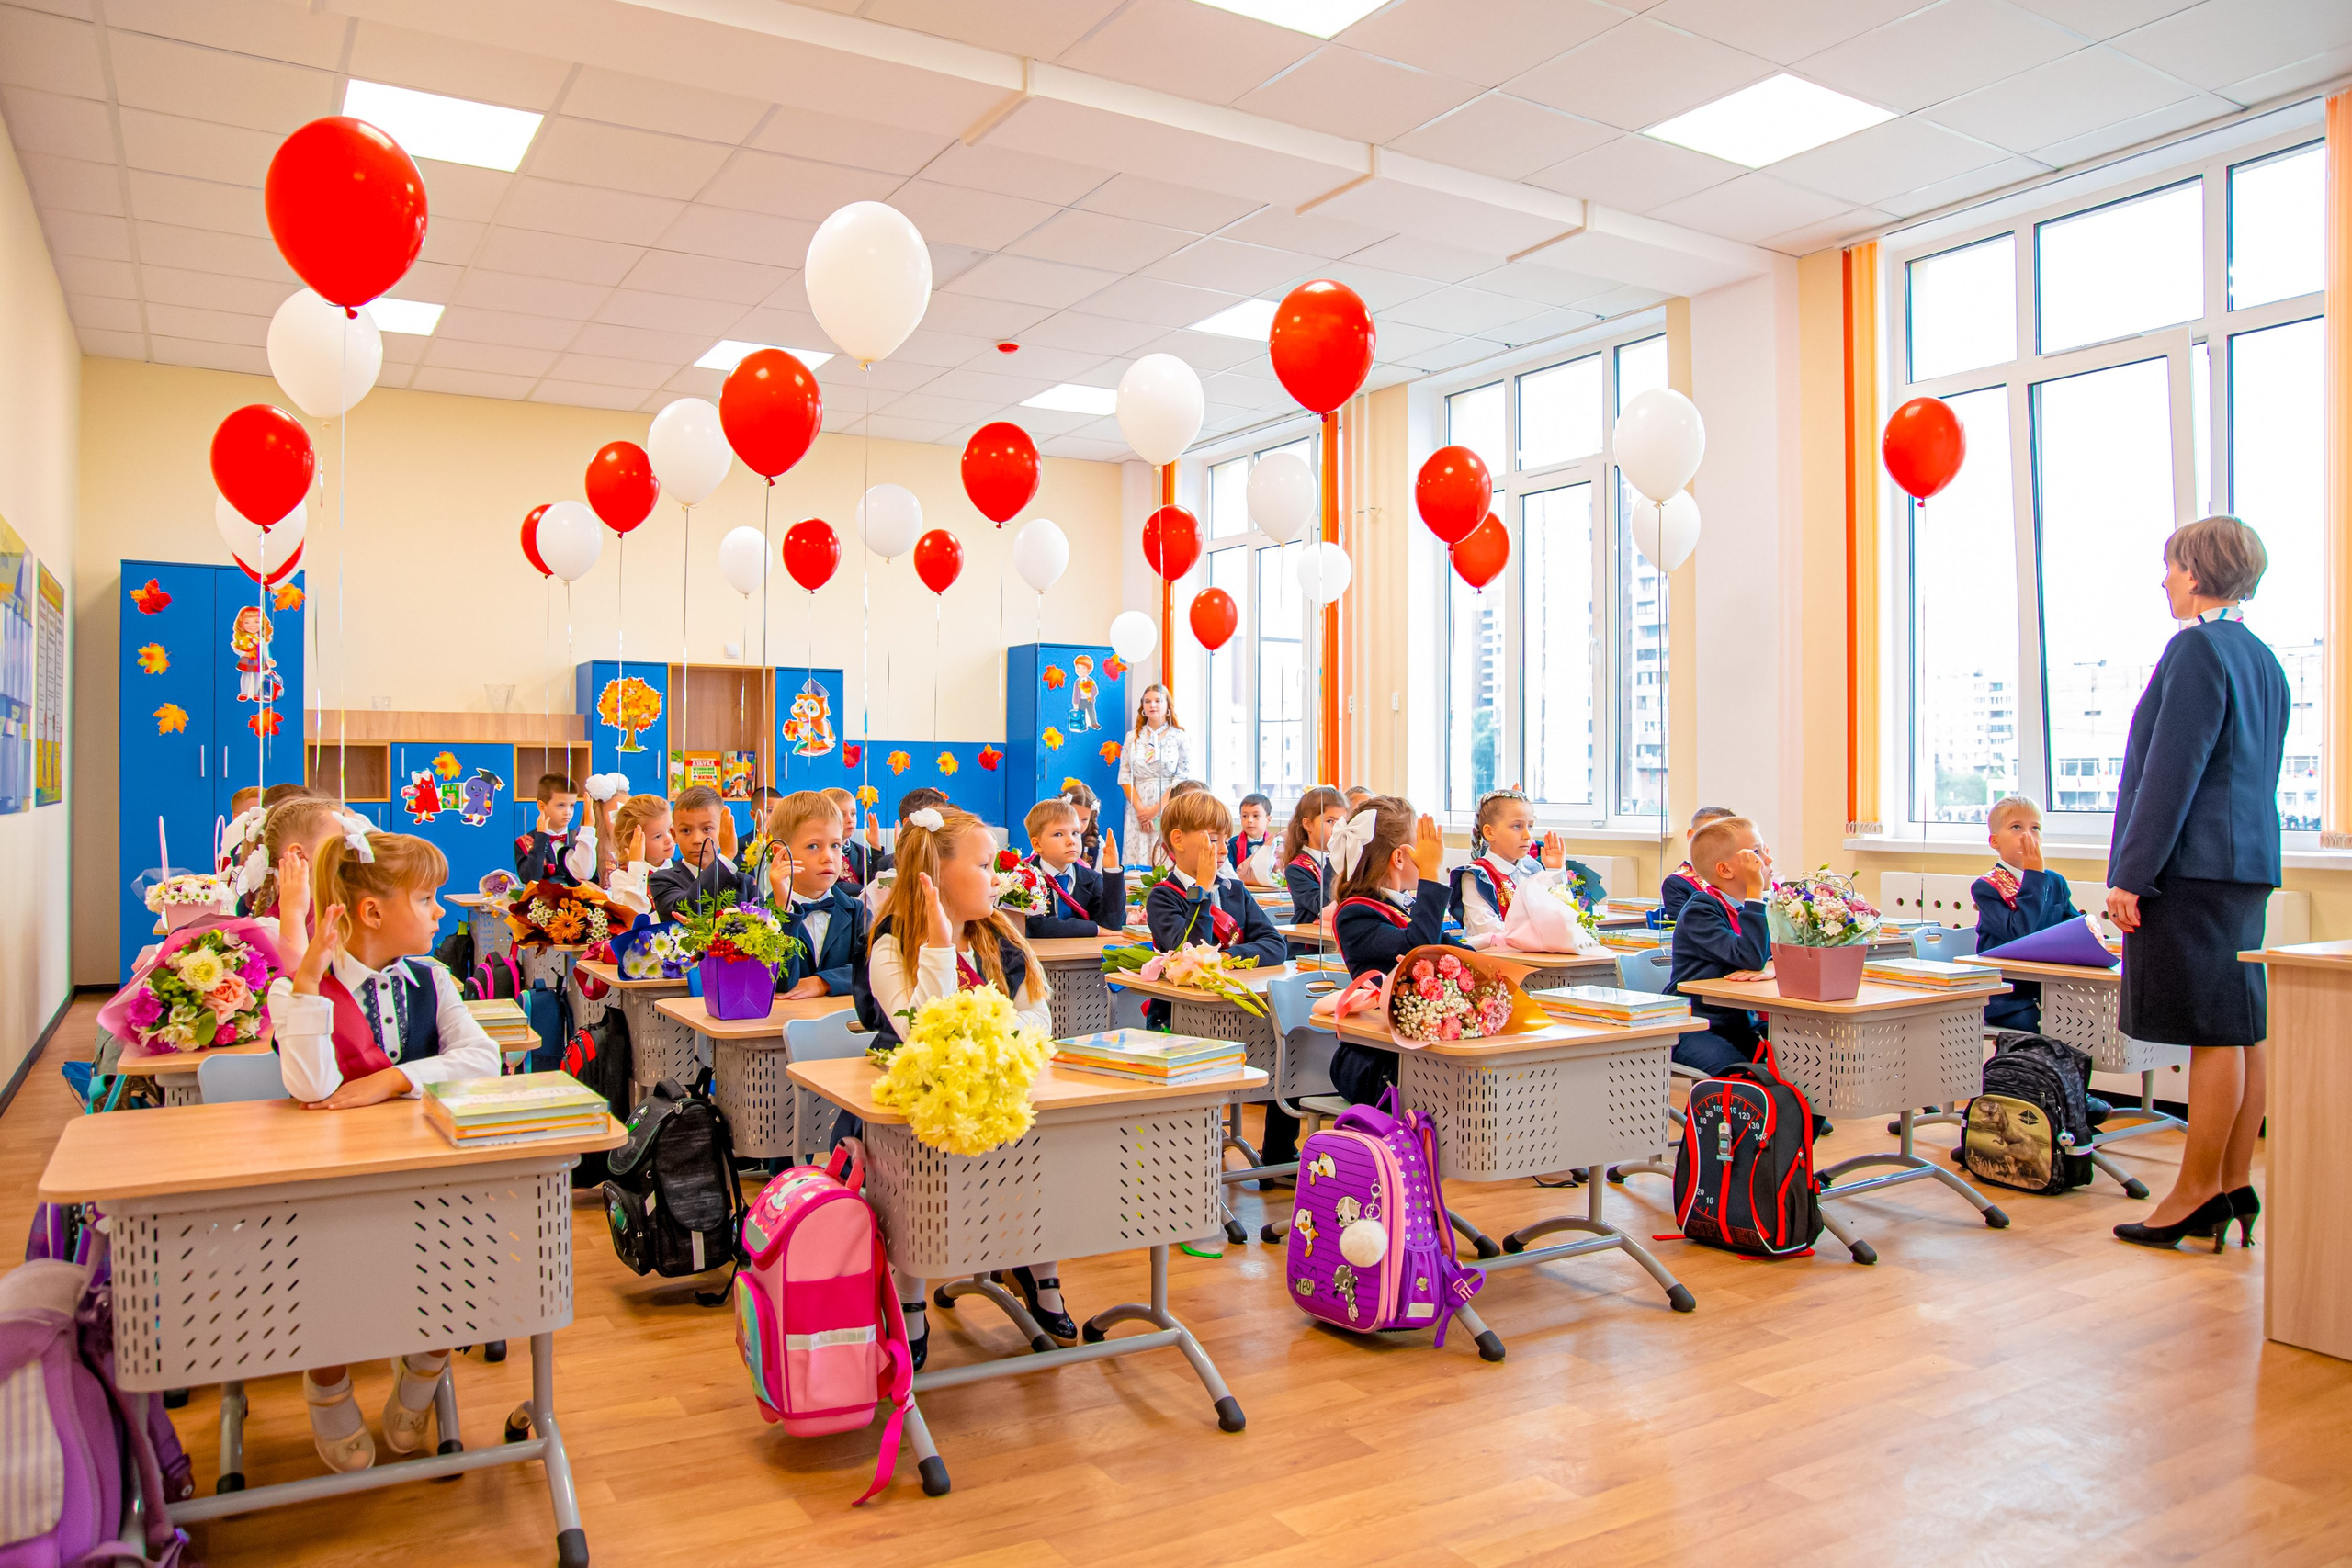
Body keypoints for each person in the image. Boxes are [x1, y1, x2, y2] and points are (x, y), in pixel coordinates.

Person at [268, 827, 501, 1473]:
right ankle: (327, 1382)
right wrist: (307, 982)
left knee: (456, 1265)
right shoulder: (298, 992)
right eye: (426, 899)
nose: (440, 912)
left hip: (427, 1177)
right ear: (373, 912)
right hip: (331, 1187)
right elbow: (313, 1088)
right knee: (331, 1278)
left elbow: (483, 1057)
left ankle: (424, 1369)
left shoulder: (432, 979)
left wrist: (394, 1079)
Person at [2106, 516, 2288, 1252]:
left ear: (2198, 571)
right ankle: (2235, 1179)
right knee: (2242, 1026)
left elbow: (2170, 773)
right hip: (2246, 865)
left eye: (2171, 565)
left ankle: (2195, 1191)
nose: (2164, 579)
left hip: (2194, 866)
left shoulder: (2195, 649)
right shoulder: (2263, 659)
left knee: (2213, 1031)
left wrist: (2132, 873)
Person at [850, 806, 1067, 1365]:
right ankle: (910, 1297)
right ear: (937, 874)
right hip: (915, 1116)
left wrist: (987, 1032)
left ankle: (1040, 1268)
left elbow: (1040, 1020)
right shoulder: (892, 946)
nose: (998, 878)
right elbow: (926, 1032)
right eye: (985, 865)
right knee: (919, 1187)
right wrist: (941, 947)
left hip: (999, 1095)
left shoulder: (1002, 939)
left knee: (1045, 1154)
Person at [1145, 789, 1292, 1168]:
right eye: (1212, 839)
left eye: (1225, 839)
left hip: (1239, 1015)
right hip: (1181, 1019)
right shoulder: (1164, 897)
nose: (1223, 848)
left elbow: (1274, 945)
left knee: (1288, 1053)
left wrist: (1224, 958)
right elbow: (1192, 949)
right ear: (1178, 840)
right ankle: (1192, 1163)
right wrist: (1202, 891)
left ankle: (1278, 1157)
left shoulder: (1234, 889)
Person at [1325, 797, 1456, 1107]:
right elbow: (1419, 951)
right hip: (1378, 1060)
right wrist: (1430, 874)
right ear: (1399, 857)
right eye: (1421, 851)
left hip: (1417, 1048)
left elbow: (1452, 951)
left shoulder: (1400, 905)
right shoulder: (1355, 914)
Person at [1666, 816, 1775, 1077]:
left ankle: (1796, 1109)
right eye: (1756, 854)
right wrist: (1755, 892)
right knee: (1742, 1076)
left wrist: (1773, 967)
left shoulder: (1755, 909)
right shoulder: (1701, 910)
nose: (1768, 860)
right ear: (1725, 870)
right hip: (1694, 1024)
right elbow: (1750, 957)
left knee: (1805, 1055)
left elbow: (1784, 956)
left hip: (1738, 1022)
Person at [1973, 796, 2084, 1034]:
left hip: (2052, 991)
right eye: (2016, 827)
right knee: (2067, 1027)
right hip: (2011, 1000)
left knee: (2094, 1020)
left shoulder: (2055, 881)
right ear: (1994, 841)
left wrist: (2092, 932)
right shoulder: (1987, 887)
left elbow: (2073, 929)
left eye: (2035, 828)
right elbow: (2020, 932)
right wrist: (2034, 875)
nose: (2027, 835)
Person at [1451, 788, 1603, 948]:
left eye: (1530, 826)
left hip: (1536, 955)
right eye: (1517, 826)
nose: (1527, 835)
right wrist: (1540, 934)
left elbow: (1560, 917)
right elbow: (1489, 932)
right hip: (1494, 958)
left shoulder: (1533, 868)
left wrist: (1554, 871)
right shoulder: (1477, 876)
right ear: (1489, 832)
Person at [757, 791, 864, 999]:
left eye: (835, 845)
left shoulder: (856, 910)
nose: (828, 857)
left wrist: (823, 982)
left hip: (843, 1018)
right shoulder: (761, 916)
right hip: (785, 1019)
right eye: (813, 846)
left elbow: (870, 970)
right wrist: (785, 912)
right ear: (782, 854)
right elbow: (780, 983)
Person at [1022, 797, 1125, 939]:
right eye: (1058, 834)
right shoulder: (1024, 879)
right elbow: (1035, 926)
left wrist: (1112, 871)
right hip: (1037, 953)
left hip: (1085, 952)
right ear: (1037, 844)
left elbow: (1112, 925)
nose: (1071, 841)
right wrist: (1093, 929)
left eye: (1075, 833)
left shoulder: (1092, 879)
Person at [1117, 682, 1189, 867]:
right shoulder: (1132, 737)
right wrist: (1142, 811)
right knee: (1137, 857)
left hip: (1168, 804)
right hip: (1137, 806)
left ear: (1167, 705)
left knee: (1165, 856)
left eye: (1158, 700)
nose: (1153, 705)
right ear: (1143, 706)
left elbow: (1182, 777)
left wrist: (1155, 809)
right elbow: (1125, 775)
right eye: (1148, 701)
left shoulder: (1179, 736)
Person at [650, 784, 741, 920]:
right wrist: (726, 857)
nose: (697, 840)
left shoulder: (744, 883)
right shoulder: (662, 880)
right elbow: (688, 909)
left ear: (723, 831)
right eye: (686, 831)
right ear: (674, 835)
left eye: (707, 829)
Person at [1280, 785, 1347, 930]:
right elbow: (1324, 905)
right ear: (1308, 824)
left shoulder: (1345, 860)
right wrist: (1334, 857)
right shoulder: (1296, 869)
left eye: (1342, 822)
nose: (1338, 829)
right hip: (1305, 940)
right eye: (1330, 821)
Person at [1661, 805, 1736, 921]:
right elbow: (1688, 926)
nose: (1717, 843)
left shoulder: (1736, 874)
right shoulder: (1677, 883)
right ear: (1691, 836)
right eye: (1710, 835)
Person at [514, 773, 582, 885]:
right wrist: (541, 837)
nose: (568, 812)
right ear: (542, 806)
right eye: (561, 805)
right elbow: (531, 879)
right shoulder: (525, 842)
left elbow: (591, 879)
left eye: (572, 805)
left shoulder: (580, 839)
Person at [1229, 792, 1275, 884]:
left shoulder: (1275, 844)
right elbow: (1229, 872)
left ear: (1268, 819)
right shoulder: (1232, 844)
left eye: (1256, 816)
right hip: (1241, 888)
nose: (1249, 820)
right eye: (1245, 816)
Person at [1063, 780, 1108, 866]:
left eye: (1084, 820)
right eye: (1075, 818)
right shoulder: (1050, 839)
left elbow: (1099, 873)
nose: (1079, 825)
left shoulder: (1098, 843)